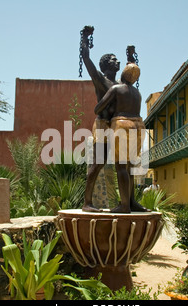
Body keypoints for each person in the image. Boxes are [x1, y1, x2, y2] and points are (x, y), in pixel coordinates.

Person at [93, 63, 149, 213]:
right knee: (130, 166)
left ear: (123, 74)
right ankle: (131, 202)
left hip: (123, 124)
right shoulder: (137, 93)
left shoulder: (116, 89)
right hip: (139, 125)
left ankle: (124, 206)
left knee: (121, 166)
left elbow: (97, 108)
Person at [80, 26, 120, 213]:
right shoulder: (100, 80)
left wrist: (131, 57)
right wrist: (85, 38)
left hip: (118, 126)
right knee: (98, 163)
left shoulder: (121, 85)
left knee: (124, 164)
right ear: (105, 66)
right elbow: (86, 59)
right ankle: (87, 202)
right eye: (113, 60)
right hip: (103, 125)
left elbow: (132, 73)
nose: (117, 61)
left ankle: (128, 202)